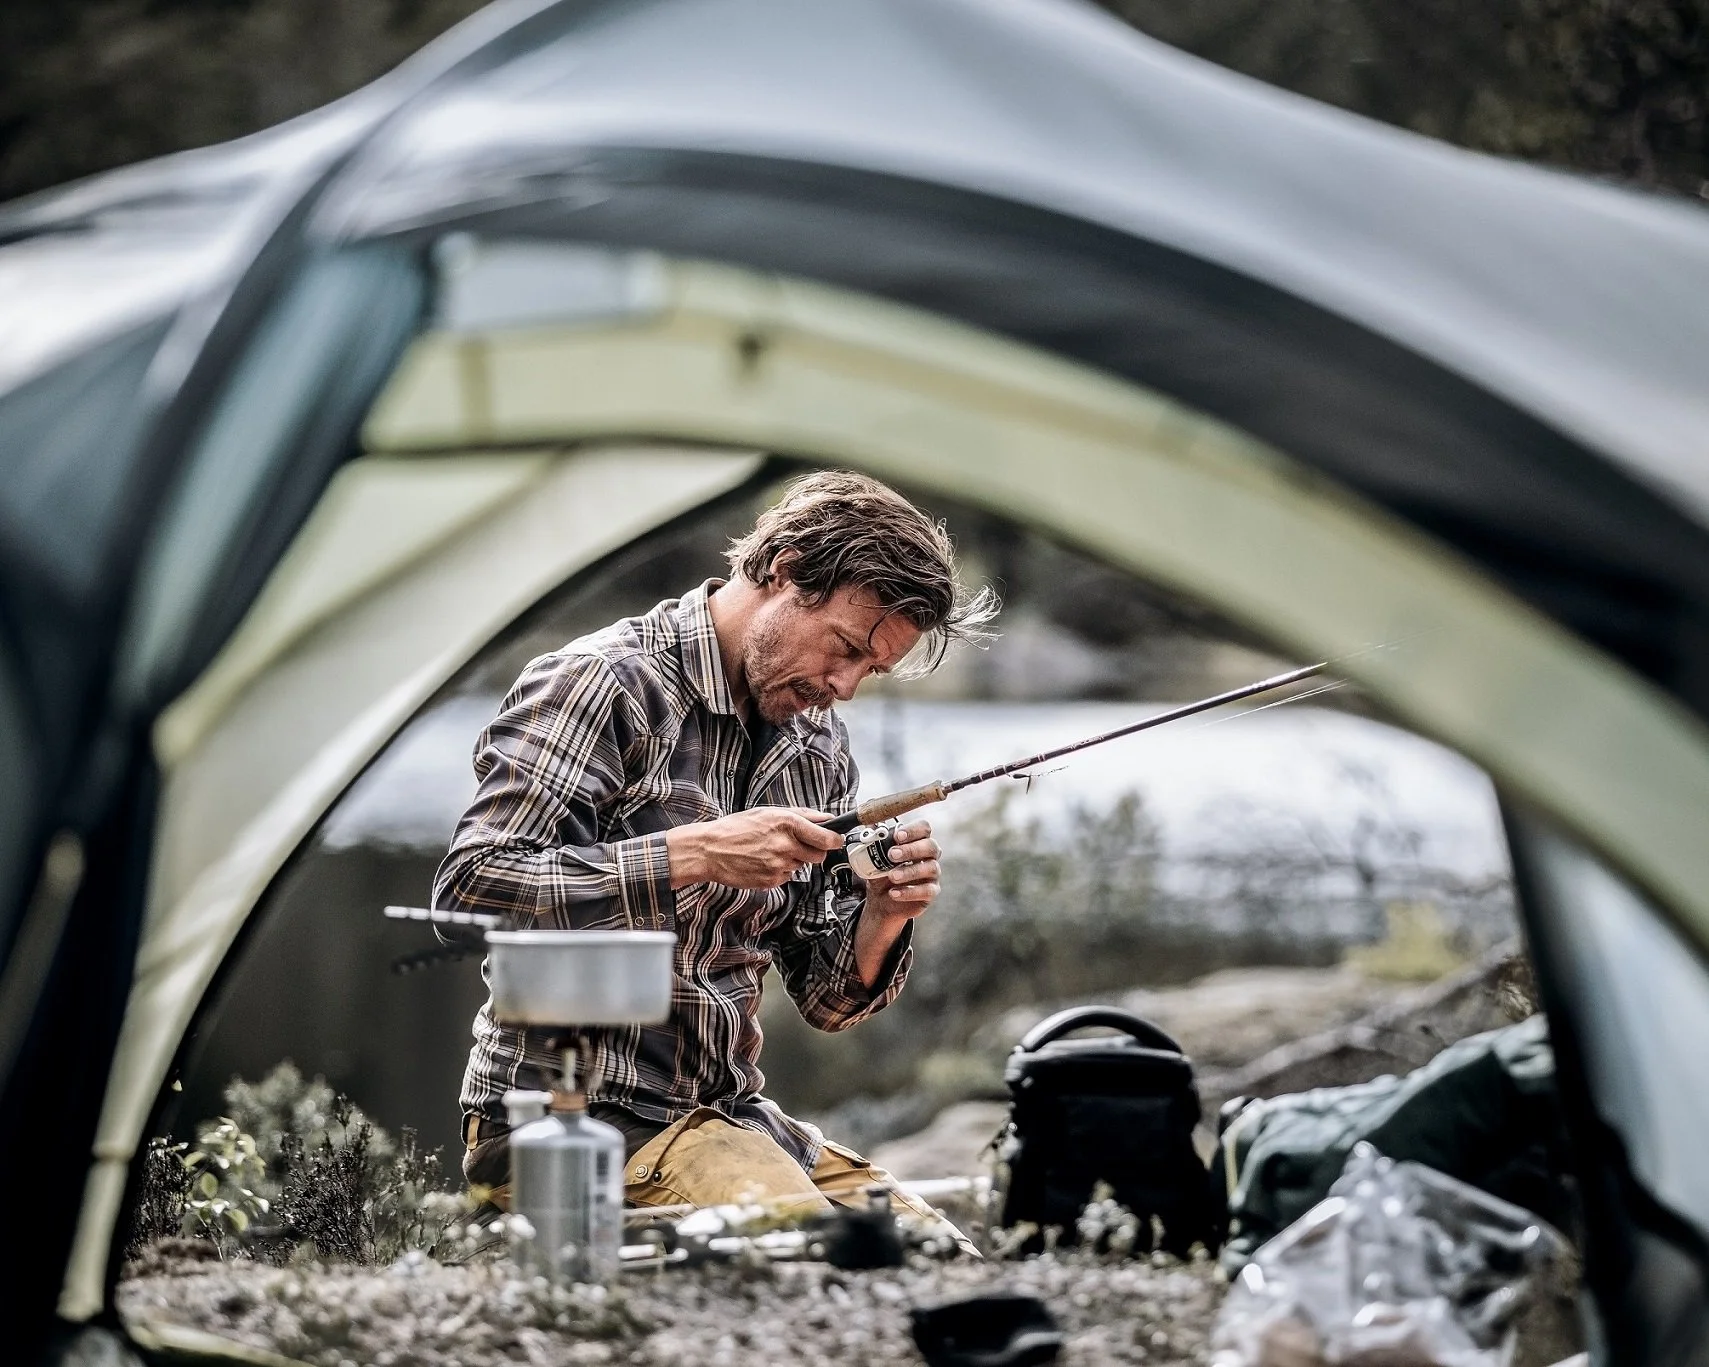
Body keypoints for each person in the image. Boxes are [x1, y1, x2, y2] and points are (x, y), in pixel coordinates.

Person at [438, 470, 998, 1229]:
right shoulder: (601, 683)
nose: (845, 686)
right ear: (785, 569)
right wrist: (691, 853)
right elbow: (470, 889)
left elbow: (827, 1001)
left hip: (729, 1120)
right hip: (561, 1127)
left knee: (935, 1261)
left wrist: (883, 914)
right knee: (829, 1261)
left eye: (870, 670)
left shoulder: (817, 745)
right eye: (843, 648)